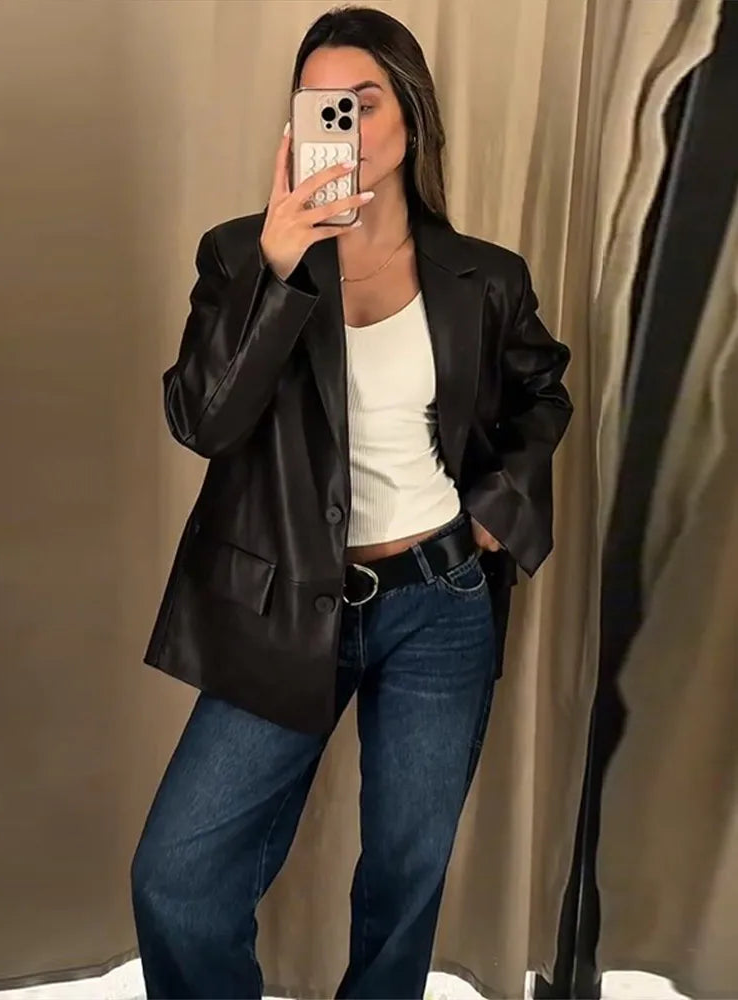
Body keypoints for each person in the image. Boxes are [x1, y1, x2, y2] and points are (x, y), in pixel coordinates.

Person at [130, 6, 573, 999]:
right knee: (177, 878)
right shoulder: (240, 254)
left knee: (405, 880)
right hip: (287, 603)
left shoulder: (483, 276)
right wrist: (278, 267)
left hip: (442, 602)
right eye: (321, 105)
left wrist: (501, 504)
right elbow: (204, 420)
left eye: (363, 103)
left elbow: (543, 392)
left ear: (411, 117)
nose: (343, 124)